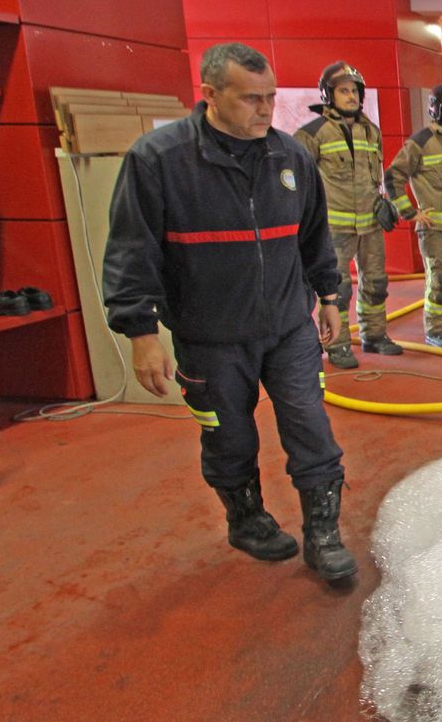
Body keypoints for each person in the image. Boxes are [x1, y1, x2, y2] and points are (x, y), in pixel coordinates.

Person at [102, 42, 356, 584]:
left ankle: (324, 534)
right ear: (211, 95)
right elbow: (132, 248)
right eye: (251, 99)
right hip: (209, 334)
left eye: (270, 98)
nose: (265, 110)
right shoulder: (159, 160)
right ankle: (247, 520)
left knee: (310, 426)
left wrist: (329, 296)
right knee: (229, 435)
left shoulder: (291, 157)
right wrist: (140, 331)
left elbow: (314, 236)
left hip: (289, 326)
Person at [292, 61, 403, 368]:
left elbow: (374, 174)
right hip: (333, 228)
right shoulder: (311, 134)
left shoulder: (371, 131)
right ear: (329, 95)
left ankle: (375, 335)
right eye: (343, 91)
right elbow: (298, 182)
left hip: (370, 225)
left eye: (354, 91)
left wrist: (384, 202)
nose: (351, 96)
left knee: (376, 282)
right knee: (336, 289)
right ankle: (338, 345)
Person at [388, 81, 442, 350]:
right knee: (441, 280)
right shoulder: (420, 142)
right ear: (437, 109)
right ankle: (436, 330)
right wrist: (410, 212)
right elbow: (393, 177)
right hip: (435, 228)